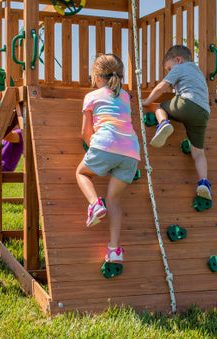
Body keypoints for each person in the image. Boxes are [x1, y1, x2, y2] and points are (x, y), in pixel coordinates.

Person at [75, 53, 141, 264]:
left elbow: (85, 132)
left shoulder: (92, 96)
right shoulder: (125, 97)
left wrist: (91, 145)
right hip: (131, 152)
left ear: (96, 76)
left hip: (106, 143)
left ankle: (94, 204)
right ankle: (114, 250)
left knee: (81, 172)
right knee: (114, 200)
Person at [142, 45, 212, 200]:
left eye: (168, 68)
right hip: (203, 113)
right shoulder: (198, 72)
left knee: (160, 106)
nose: (169, 72)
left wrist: (147, 102)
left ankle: (163, 124)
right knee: (198, 152)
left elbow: (162, 87)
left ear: (178, 60)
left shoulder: (180, 68)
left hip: (187, 103)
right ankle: (204, 182)